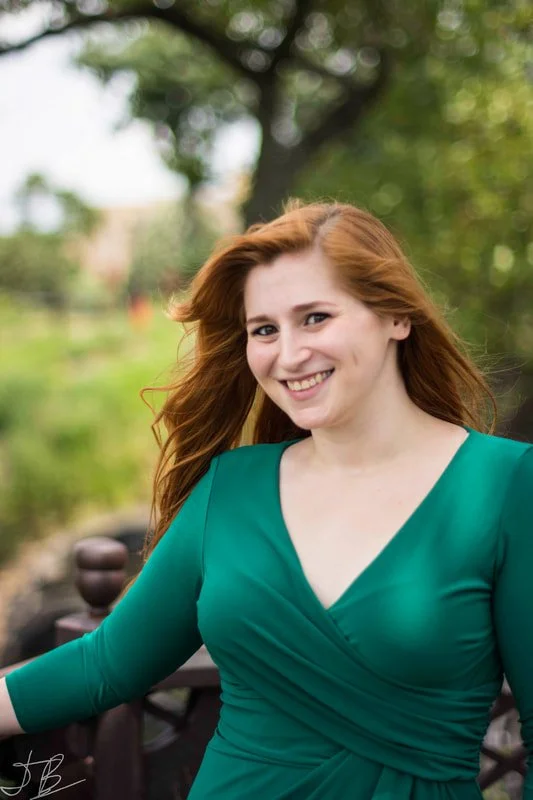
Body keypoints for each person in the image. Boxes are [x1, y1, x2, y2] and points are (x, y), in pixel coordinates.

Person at [1, 199, 532, 799]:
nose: (288, 354)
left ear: (396, 316)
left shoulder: (505, 485)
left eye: (315, 318)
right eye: (264, 330)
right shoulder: (232, 486)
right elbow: (106, 663)